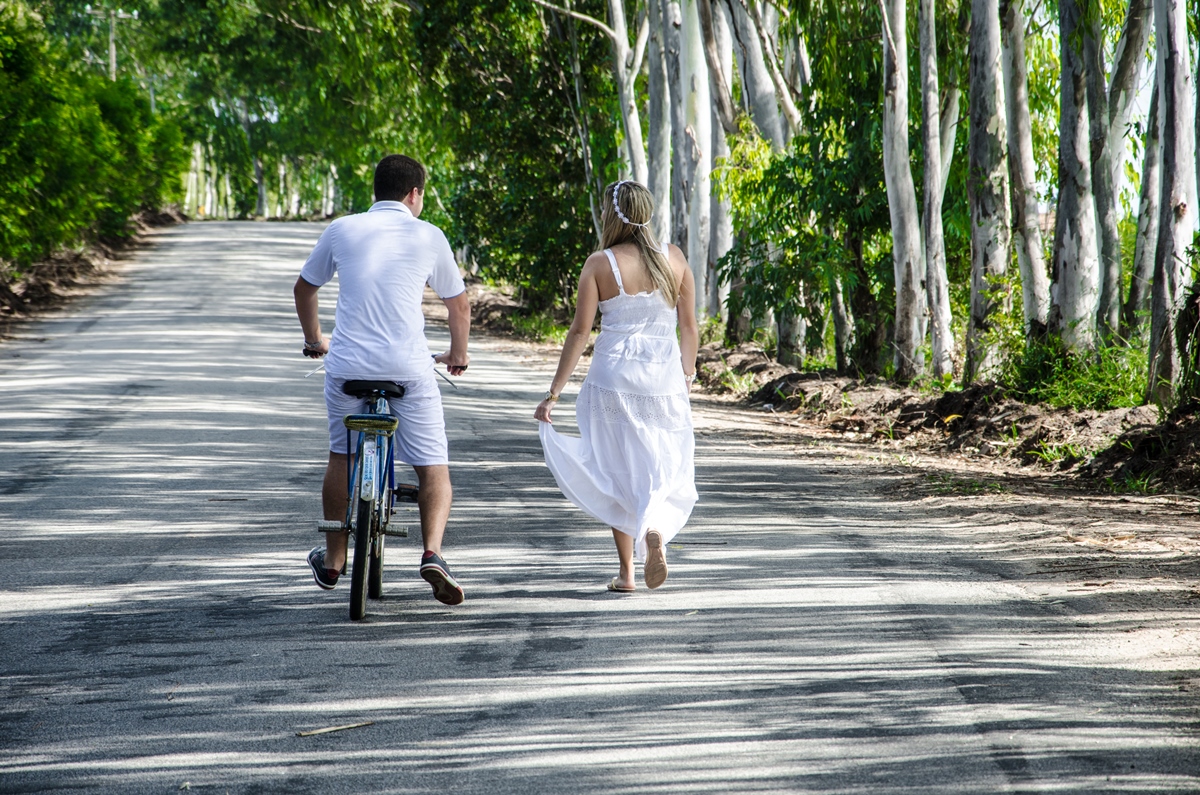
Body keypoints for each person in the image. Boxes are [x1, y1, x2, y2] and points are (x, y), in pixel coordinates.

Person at [294, 154, 470, 606]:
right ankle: (432, 552)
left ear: (377, 191)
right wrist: (457, 355)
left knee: (341, 454)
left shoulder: (341, 229)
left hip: (348, 367)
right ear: (414, 194)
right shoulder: (428, 234)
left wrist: (316, 340)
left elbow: (304, 288)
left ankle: (334, 560)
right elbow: (459, 305)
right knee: (433, 465)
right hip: (408, 370)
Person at [535, 180, 699, 592]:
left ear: (612, 215)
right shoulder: (674, 259)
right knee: (662, 464)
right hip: (663, 380)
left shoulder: (599, 264)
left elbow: (579, 332)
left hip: (612, 380)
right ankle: (655, 528)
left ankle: (627, 573)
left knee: (616, 470)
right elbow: (690, 327)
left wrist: (554, 392)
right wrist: (687, 376)